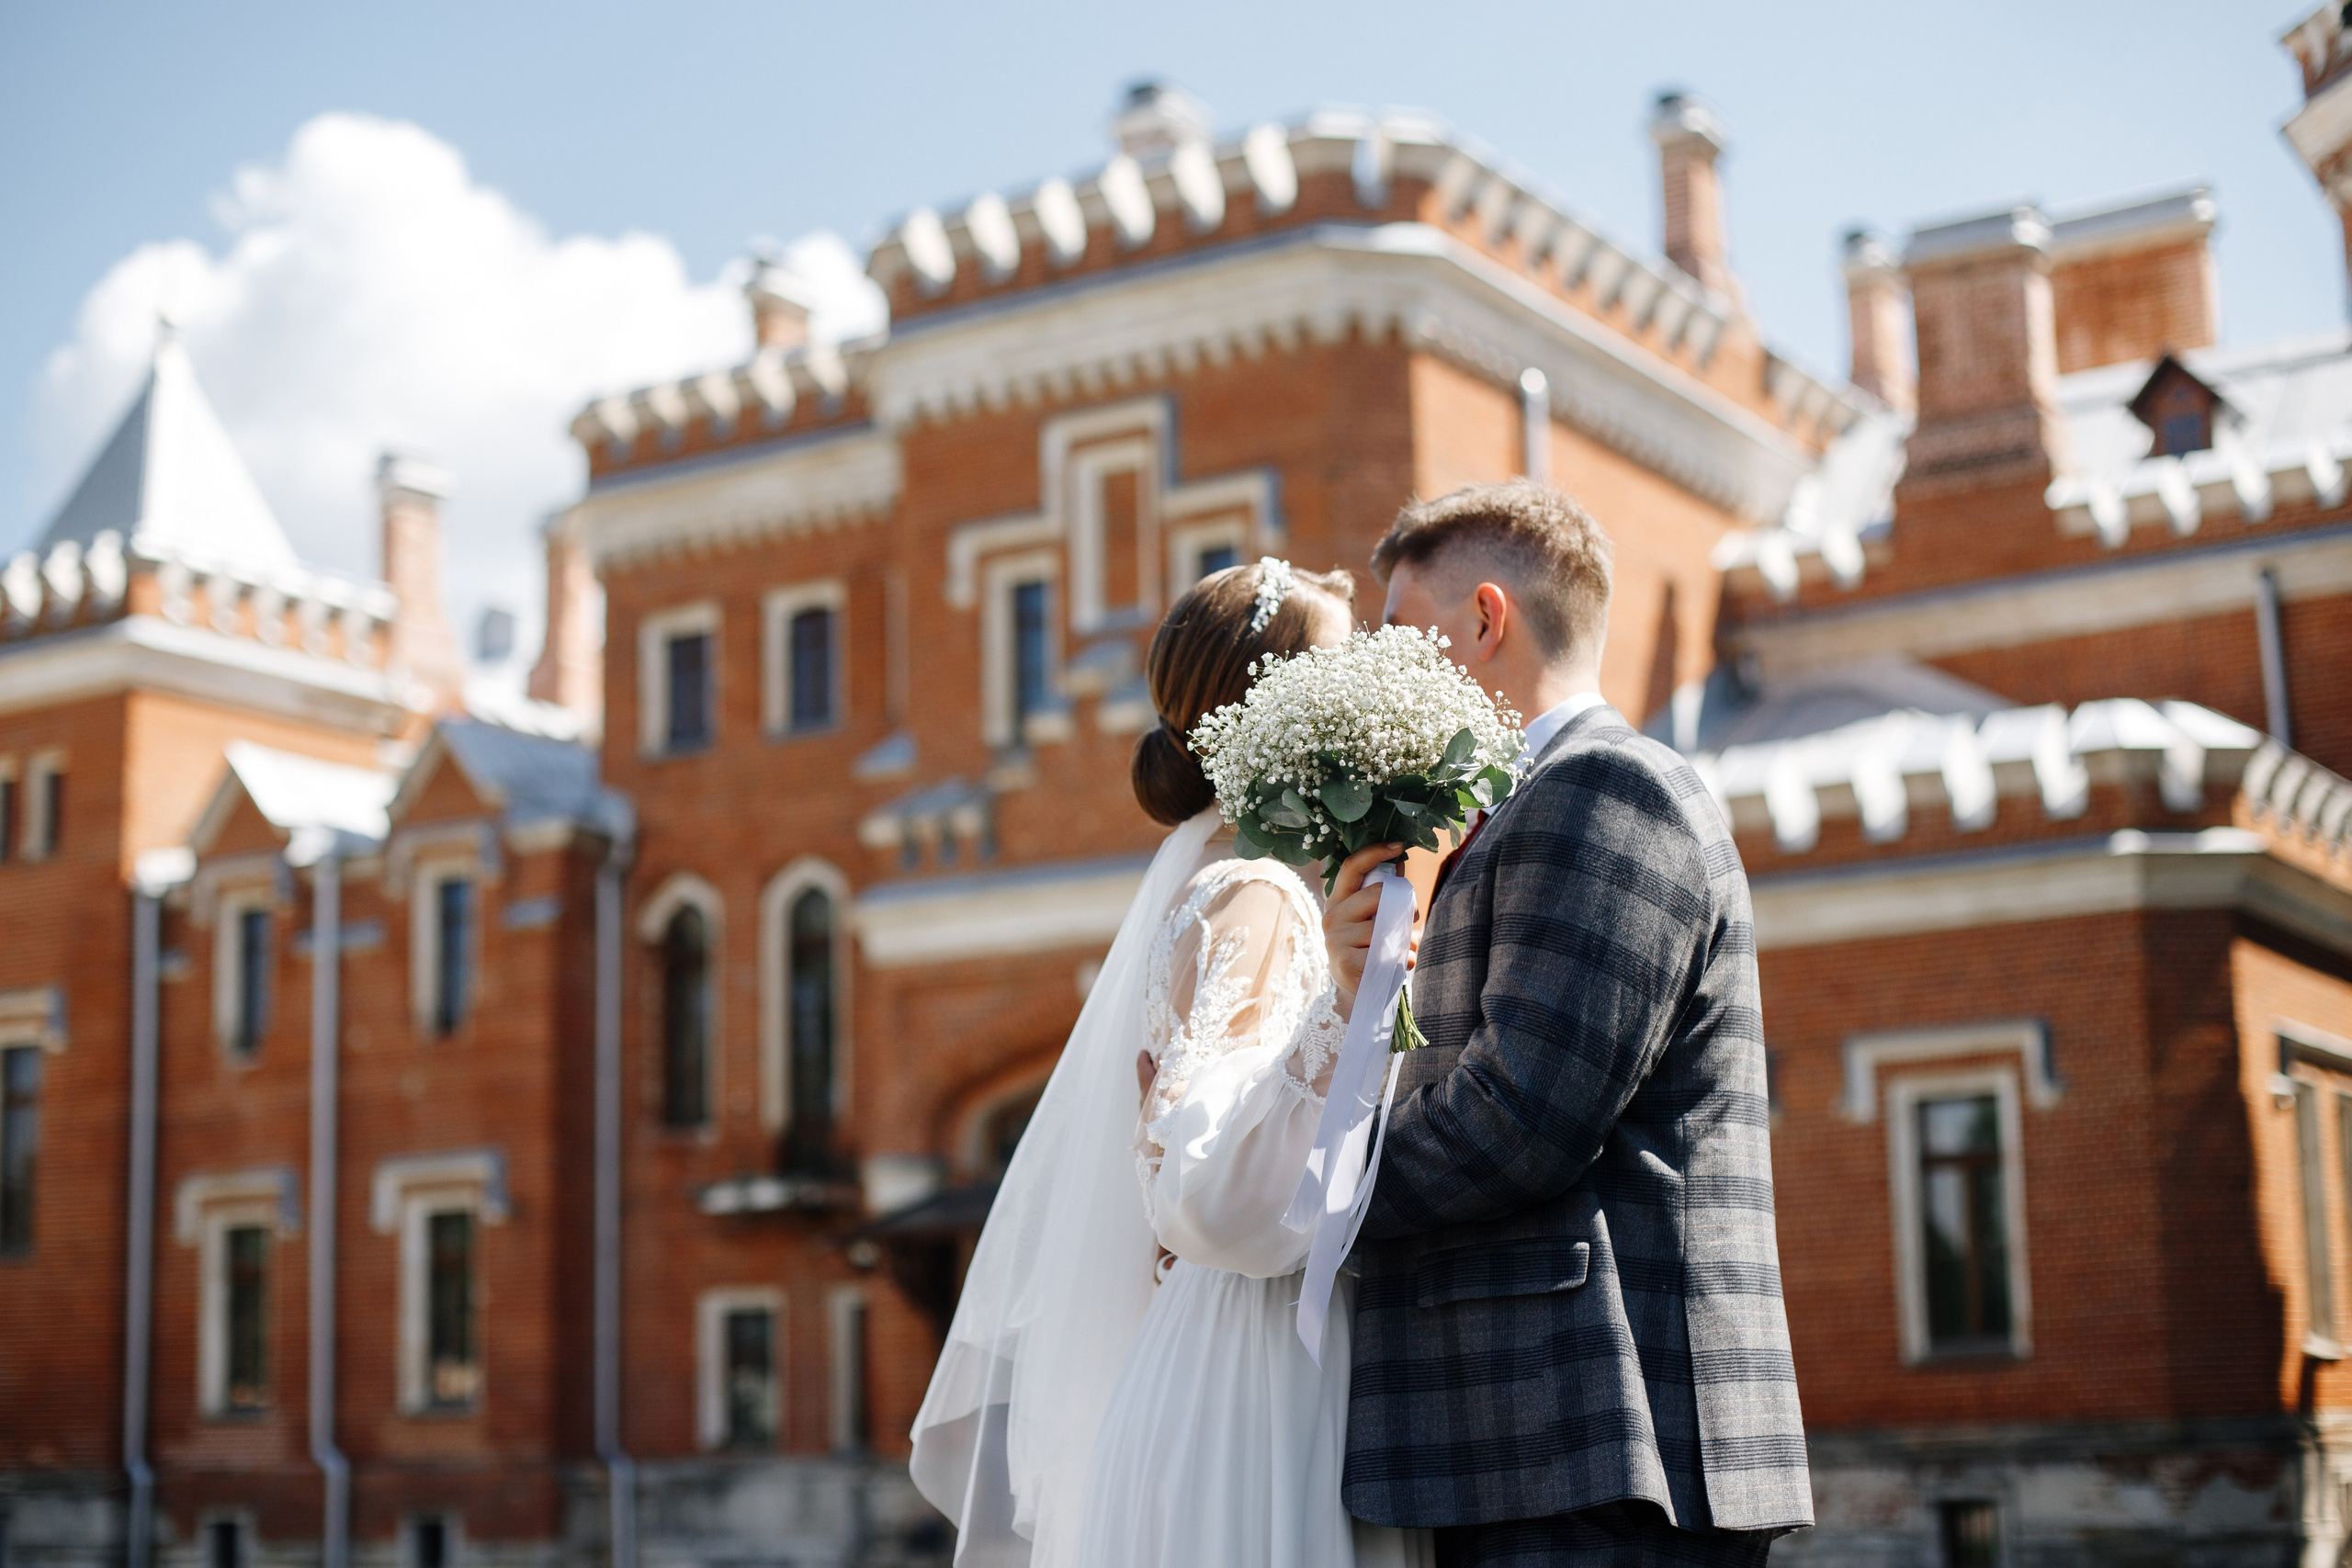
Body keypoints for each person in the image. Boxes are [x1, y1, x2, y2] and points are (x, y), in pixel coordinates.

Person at [1323, 482, 1812, 1568]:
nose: (1379, 666)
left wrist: (1295, 1198)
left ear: (1483, 619)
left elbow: (1514, 1119)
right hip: (1527, 1438)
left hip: (1596, 1433)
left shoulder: (1604, 790)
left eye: (1398, 632)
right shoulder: (1514, 808)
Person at [910, 558, 1433, 1568]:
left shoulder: (1216, 873)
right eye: (1343, 671)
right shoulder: (1260, 896)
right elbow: (1208, 1197)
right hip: (1258, 1368)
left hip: (1220, 1347)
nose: (1365, 695)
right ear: (1272, 711)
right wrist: (1343, 1006)